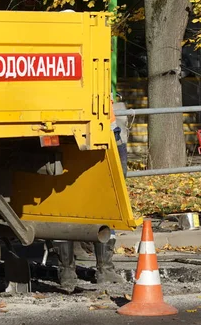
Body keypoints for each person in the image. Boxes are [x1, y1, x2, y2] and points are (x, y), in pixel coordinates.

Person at [72, 95, 127, 283]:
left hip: (78, 131)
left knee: (68, 199)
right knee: (110, 202)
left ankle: (67, 270)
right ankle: (104, 269)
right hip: (105, 133)